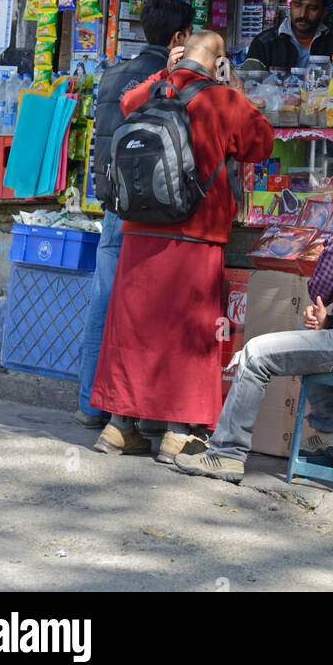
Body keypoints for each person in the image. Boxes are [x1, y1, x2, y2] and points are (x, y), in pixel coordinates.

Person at [90, 30, 274, 463]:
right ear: (220, 62)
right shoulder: (223, 101)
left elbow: (127, 102)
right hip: (196, 236)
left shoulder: (150, 92)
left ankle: (120, 428)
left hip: (139, 232)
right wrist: (237, 91)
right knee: (189, 336)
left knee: (133, 331)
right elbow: (260, 143)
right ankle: (178, 433)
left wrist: (167, 71)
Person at [172, 168, 333, 483]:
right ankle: (331, 434)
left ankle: (227, 454)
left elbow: (319, 291)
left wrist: (329, 313)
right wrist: (330, 319)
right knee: (313, 335)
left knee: (254, 355)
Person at [75, 0, 194, 429]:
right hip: (154, 209)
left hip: (113, 203)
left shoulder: (110, 76)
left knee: (104, 304)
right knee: (147, 311)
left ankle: (91, 404)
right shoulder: (173, 78)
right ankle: (141, 414)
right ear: (180, 37)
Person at [244, 0, 333, 70]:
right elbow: (247, 85)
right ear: (290, 7)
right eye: (298, 5)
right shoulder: (264, 42)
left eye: (312, 8)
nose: (303, 14)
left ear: (324, 13)